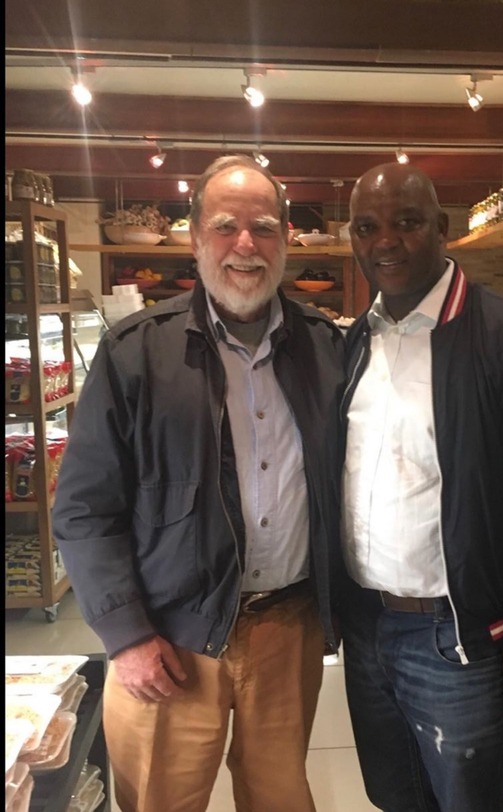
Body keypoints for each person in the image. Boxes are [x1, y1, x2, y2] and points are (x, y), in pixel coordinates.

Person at [52, 155, 345, 812]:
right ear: (194, 239)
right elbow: (84, 508)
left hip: (288, 628)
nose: (246, 245)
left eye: (263, 228)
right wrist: (126, 634)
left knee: (279, 799)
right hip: (168, 639)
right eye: (225, 226)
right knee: (161, 799)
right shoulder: (135, 352)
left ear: (287, 238)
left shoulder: (327, 348)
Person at [339, 162, 503, 812]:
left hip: (458, 639)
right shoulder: (357, 341)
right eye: (366, 227)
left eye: (407, 222)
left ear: (441, 228)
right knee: (395, 797)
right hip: (368, 628)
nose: (385, 241)